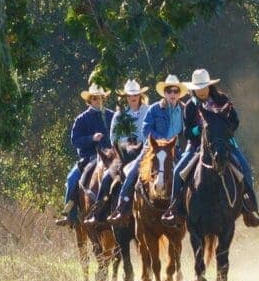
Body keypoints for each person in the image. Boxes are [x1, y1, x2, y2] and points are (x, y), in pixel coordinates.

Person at [178, 68, 259, 227]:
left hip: (224, 143)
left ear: (209, 86)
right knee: (178, 172)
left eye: (203, 87)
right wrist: (200, 129)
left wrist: (223, 131)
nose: (201, 91)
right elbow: (187, 132)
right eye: (198, 88)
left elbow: (235, 121)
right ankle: (175, 209)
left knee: (245, 167)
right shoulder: (190, 106)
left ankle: (249, 209)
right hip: (197, 146)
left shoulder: (222, 100)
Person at [112, 75, 189, 215]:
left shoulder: (185, 110)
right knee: (133, 171)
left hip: (174, 149)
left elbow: (187, 131)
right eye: (169, 91)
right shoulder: (154, 109)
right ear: (164, 93)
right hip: (152, 149)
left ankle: (187, 209)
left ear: (179, 93)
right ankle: (122, 205)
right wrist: (162, 141)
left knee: (189, 174)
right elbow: (146, 129)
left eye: (175, 91)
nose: (172, 94)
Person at [57, 85, 114, 227]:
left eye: (101, 97)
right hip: (89, 158)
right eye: (95, 98)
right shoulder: (81, 119)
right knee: (72, 180)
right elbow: (75, 141)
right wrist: (91, 138)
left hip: (110, 159)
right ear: (89, 100)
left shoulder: (112, 116)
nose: (98, 100)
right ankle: (69, 214)